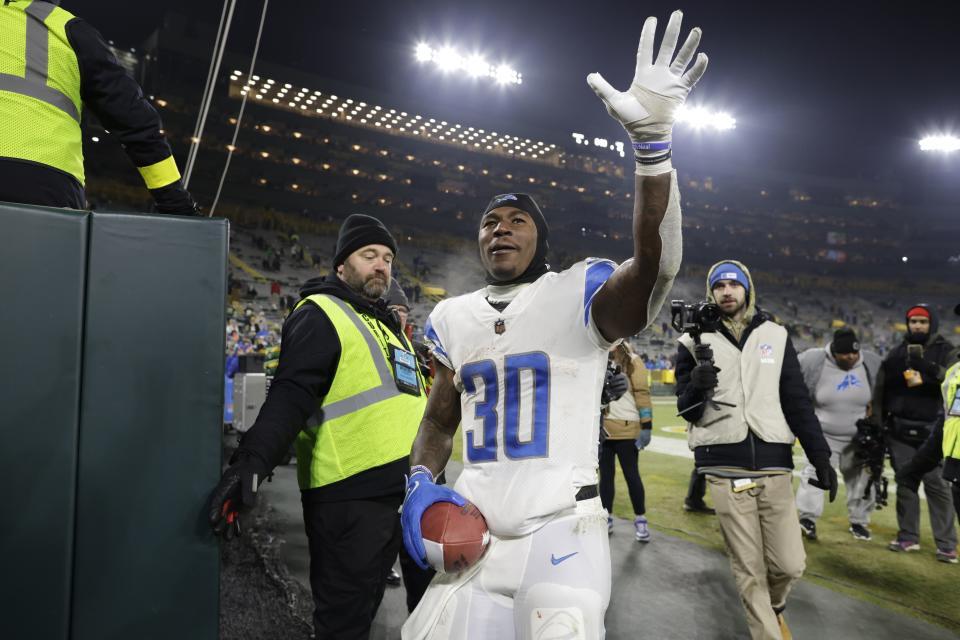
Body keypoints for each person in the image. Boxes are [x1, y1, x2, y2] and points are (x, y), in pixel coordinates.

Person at [399, 11, 706, 639]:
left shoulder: (579, 291)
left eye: (516, 219)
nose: (500, 228)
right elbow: (437, 418)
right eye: (490, 221)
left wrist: (653, 148)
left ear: (540, 239)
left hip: (562, 526)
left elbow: (658, 265)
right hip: (474, 530)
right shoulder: (453, 317)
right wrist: (419, 482)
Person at [207, 214, 428, 638]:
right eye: (369, 255)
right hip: (350, 496)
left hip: (406, 492)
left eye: (387, 258)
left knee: (420, 612)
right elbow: (290, 395)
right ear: (342, 265)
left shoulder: (384, 323)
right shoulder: (322, 312)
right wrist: (250, 463)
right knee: (344, 624)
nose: (381, 265)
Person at [675, 260, 836, 640]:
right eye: (718, 286)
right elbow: (687, 411)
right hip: (724, 467)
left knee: (790, 565)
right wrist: (696, 387)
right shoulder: (691, 342)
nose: (726, 291)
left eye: (733, 284)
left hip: (774, 464)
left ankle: (772, 608)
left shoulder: (776, 336)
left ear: (748, 288)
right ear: (710, 293)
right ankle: (768, 630)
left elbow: (796, 401)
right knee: (749, 569)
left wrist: (821, 457)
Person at [0, 0, 197, 213]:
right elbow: (136, 120)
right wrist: (176, 202)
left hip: (47, 182)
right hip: (47, 184)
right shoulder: (69, 29)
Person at [874, 303, 958, 561]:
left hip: (933, 430)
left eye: (922, 321)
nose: (918, 326)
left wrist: (926, 368)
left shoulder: (947, 351)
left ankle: (946, 544)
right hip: (900, 429)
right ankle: (908, 536)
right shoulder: (897, 353)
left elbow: (953, 378)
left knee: (937, 486)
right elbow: (883, 389)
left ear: (931, 323)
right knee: (905, 482)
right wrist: (879, 421)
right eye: (913, 322)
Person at [795, 327, 882, 541]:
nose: (851, 357)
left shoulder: (870, 362)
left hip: (858, 438)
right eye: (845, 353)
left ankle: (859, 522)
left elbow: (881, 394)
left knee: (861, 481)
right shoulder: (812, 360)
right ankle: (807, 519)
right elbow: (793, 386)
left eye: (854, 352)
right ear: (834, 351)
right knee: (814, 474)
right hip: (823, 435)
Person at [896, 302, 960, 549]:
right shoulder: (957, 368)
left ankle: (945, 544)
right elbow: (952, 420)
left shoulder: (949, 356)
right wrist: (917, 466)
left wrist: (928, 368)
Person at [600, 343, 654, 541]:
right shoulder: (598, 356)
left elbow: (642, 393)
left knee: (632, 476)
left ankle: (640, 518)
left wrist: (647, 425)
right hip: (603, 429)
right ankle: (606, 517)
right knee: (606, 478)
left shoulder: (632, 360)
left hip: (627, 429)